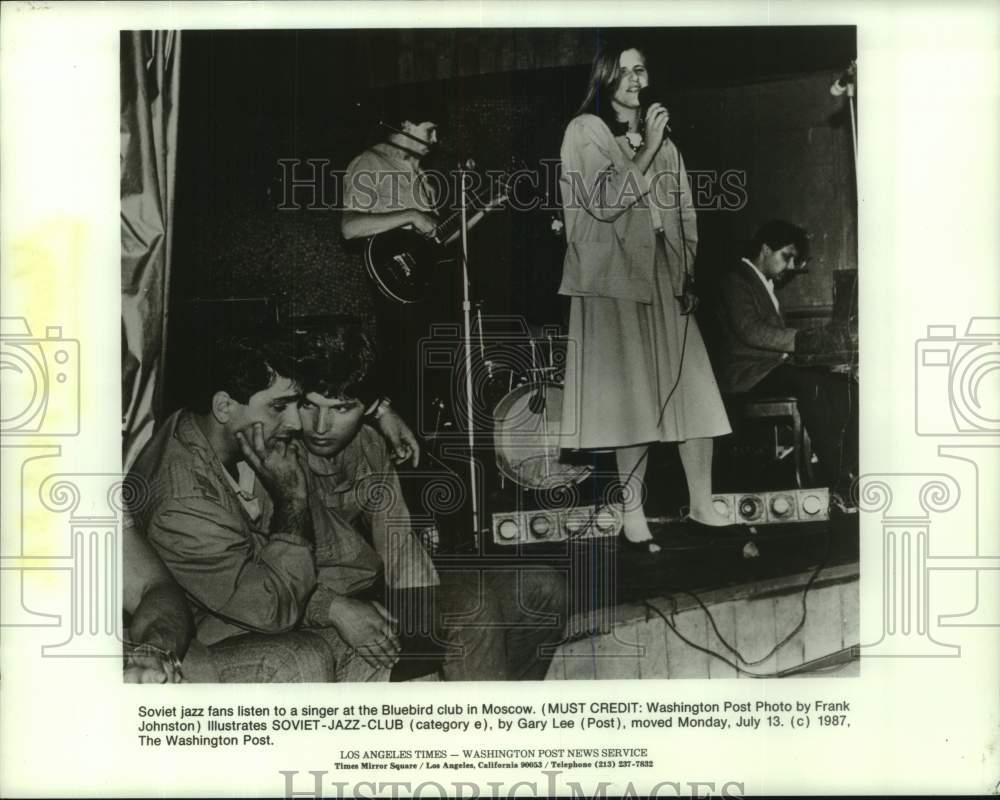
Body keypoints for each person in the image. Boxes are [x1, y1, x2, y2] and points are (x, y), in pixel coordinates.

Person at [127, 332, 423, 682]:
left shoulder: (223, 430)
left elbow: (330, 362)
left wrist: (380, 409)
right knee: (329, 654)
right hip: (217, 632)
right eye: (279, 407)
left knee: (402, 646)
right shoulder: (183, 507)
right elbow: (271, 608)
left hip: (278, 601)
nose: (297, 424)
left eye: (296, 404)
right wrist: (292, 499)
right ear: (224, 407)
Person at [292, 318, 569, 681]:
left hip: (374, 591)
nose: (320, 426)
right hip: (314, 608)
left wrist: (423, 609)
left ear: (368, 408)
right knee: (469, 607)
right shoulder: (276, 452)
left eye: (341, 409)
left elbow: (398, 545)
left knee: (542, 589)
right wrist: (330, 607)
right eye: (308, 406)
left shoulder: (370, 444)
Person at [558, 41, 734, 552]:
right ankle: (632, 514)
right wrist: (649, 147)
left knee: (693, 387)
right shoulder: (585, 130)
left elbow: (684, 215)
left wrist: (687, 275)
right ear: (605, 78)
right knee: (631, 398)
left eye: (642, 69)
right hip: (612, 278)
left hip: (663, 271)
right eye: (625, 71)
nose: (637, 79)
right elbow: (604, 204)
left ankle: (701, 503)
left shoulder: (664, 142)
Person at [713, 220, 857, 492]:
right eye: (786, 256)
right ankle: (837, 477)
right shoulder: (735, 280)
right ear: (765, 249)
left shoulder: (761, 282)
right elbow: (751, 331)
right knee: (811, 383)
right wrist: (804, 340)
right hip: (746, 376)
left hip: (769, 370)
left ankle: (852, 468)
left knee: (845, 385)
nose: (791, 266)